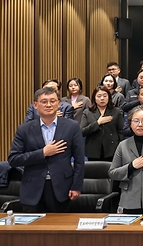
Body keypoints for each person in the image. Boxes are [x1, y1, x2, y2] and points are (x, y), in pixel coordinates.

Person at [8, 85, 85, 213]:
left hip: (62, 188)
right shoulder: (24, 129)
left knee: (59, 229)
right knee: (32, 230)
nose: (48, 105)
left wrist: (77, 186)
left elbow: (79, 160)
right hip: (33, 188)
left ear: (59, 104)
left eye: (52, 101)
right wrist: (43, 153)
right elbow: (14, 159)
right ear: (35, 105)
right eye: (44, 101)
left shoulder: (72, 127)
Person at [80, 87, 123, 162]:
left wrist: (120, 149)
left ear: (109, 97)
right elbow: (82, 131)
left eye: (105, 96)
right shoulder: (87, 112)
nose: (102, 98)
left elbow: (121, 132)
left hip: (112, 149)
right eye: (99, 96)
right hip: (93, 150)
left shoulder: (116, 111)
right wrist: (98, 123)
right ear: (94, 98)